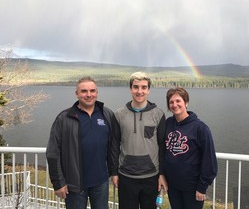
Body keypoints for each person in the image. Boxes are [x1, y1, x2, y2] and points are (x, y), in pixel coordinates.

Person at [46, 76, 117, 209]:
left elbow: (113, 147)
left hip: (101, 182)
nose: (89, 95)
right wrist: (58, 183)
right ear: (77, 94)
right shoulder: (64, 118)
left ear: (97, 92)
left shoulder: (107, 114)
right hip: (74, 186)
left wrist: (114, 172)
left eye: (92, 91)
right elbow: (53, 152)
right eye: (84, 91)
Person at [111, 72, 168, 209]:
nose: (139, 91)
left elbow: (162, 147)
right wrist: (113, 172)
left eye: (143, 87)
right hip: (126, 176)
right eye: (136, 87)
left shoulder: (158, 114)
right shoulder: (119, 114)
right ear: (130, 89)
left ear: (148, 90)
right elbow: (113, 146)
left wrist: (162, 174)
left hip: (151, 177)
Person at [164, 87, 217, 209]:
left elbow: (209, 160)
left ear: (186, 103)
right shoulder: (168, 124)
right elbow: (163, 151)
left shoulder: (200, 128)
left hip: (192, 189)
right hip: (173, 186)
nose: (174, 105)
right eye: (171, 102)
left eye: (178, 101)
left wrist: (202, 187)